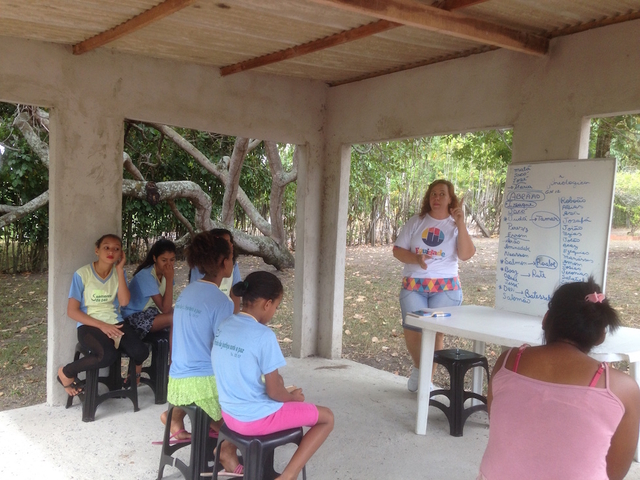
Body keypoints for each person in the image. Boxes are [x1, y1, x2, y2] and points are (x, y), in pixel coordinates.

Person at [478, 278, 640, 480]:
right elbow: (614, 473)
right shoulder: (622, 389)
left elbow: (501, 425)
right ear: (601, 335)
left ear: (546, 319)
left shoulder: (508, 362)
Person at [212, 271, 334, 480]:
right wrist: (292, 398)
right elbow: (274, 392)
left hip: (229, 417)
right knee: (327, 418)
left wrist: (280, 388)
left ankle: (227, 448)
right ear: (267, 304)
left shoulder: (225, 324)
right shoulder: (264, 335)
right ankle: (288, 476)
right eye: (276, 307)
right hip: (254, 419)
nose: (274, 312)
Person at [161, 231, 240, 474]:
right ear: (224, 262)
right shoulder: (221, 302)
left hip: (177, 381)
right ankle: (227, 450)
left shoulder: (188, 292)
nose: (233, 263)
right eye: (231, 258)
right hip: (203, 384)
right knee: (247, 403)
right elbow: (223, 349)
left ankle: (175, 416)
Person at [393, 179, 475, 392]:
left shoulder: (455, 225)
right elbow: (398, 250)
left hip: (446, 288)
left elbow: (466, 254)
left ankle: (426, 381)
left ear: (450, 199)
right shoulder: (416, 221)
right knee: (413, 329)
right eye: (433, 194)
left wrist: (461, 223)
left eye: (442, 194)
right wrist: (416, 259)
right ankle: (419, 370)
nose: (436, 198)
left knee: (436, 333)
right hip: (414, 285)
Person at [57, 234, 149, 396]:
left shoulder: (119, 273)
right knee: (107, 356)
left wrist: (119, 270)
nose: (111, 252)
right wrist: (102, 326)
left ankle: (132, 375)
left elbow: (124, 301)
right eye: (106, 247)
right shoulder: (82, 274)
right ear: (97, 250)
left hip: (115, 322)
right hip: (89, 326)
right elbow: (72, 311)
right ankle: (66, 372)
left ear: (121, 253)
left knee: (141, 351)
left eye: (116, 249)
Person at [121, 238, 176, 383]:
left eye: (172, 260)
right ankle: (173, 365)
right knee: (176, 318)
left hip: (151, 314)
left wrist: (168, 279)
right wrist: (169, 279)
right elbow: (165, 308)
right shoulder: (146, 275)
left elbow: (167, 305)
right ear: (154, 258)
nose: (168, 264)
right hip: (133, 317)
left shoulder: (166, 274)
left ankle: (168, 367)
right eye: (164, 260)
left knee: (182, 317)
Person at [190, 228, 241, 313]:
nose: (231, 245)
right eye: (226, 242)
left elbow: (236, 293)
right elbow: (196, 296)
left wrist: (235, 317)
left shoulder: (234, 265)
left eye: (230, 241)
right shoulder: (199, 267)